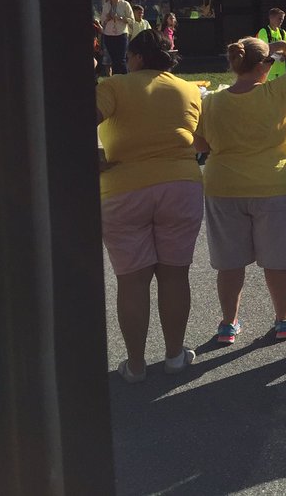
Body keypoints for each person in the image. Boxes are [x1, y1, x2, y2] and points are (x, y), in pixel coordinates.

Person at [193, 36, 286, 343]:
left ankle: (228, 324)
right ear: (265, 66)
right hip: (276, 185)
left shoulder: (211, 102)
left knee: (229, 262)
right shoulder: (279, 92)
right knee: (278, 262)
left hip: (224, 186)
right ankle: (282, 320)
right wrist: (284, 47)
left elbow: (200, 145)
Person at [96, 29, 203, 382]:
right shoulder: (189, 90)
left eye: (128, 58)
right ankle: (174, 356)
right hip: (181, 186)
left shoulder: (114, 87)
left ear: (138, 57)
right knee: (175, 274)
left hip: (123, 187)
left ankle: (136, 365)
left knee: (132, 281)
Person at [100, 0, 136, 74]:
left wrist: (120, 18)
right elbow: (102, 22)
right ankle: (116, 80)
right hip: (109, 35)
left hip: (121, 34)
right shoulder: (106, 5)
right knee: (114, 60)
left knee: (121, 59)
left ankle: (125, 79)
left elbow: (132, 20)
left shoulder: (125, 4)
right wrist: (107, 18)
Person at [257, 8, 286, 81]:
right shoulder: (264, 31)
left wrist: (283, 53)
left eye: (282, 19)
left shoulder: (282, 32)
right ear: (271, 18)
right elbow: (265, 50)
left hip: (281, 70)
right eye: (279, 19)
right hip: (268, 70)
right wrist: (279, 56)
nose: (281, 21)